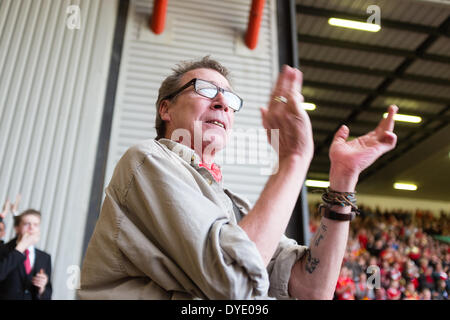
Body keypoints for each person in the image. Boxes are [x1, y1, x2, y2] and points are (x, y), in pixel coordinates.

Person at [79, 56, 398, 299]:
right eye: (204, 89)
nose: (221, 102)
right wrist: (293, 160)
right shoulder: (148, 159)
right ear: (166, 109)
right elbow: (233, 282)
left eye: (230, 100)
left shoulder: (232, 206)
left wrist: (343, 180)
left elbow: (311, 286)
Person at [0, 209, 52, 300]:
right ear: (17, 228)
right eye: (26, 224)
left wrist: (42, 288)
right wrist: (21, 247)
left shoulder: (45, 257)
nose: (31, 228)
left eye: (36, 225)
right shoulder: (3, 249)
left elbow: (48, 293)